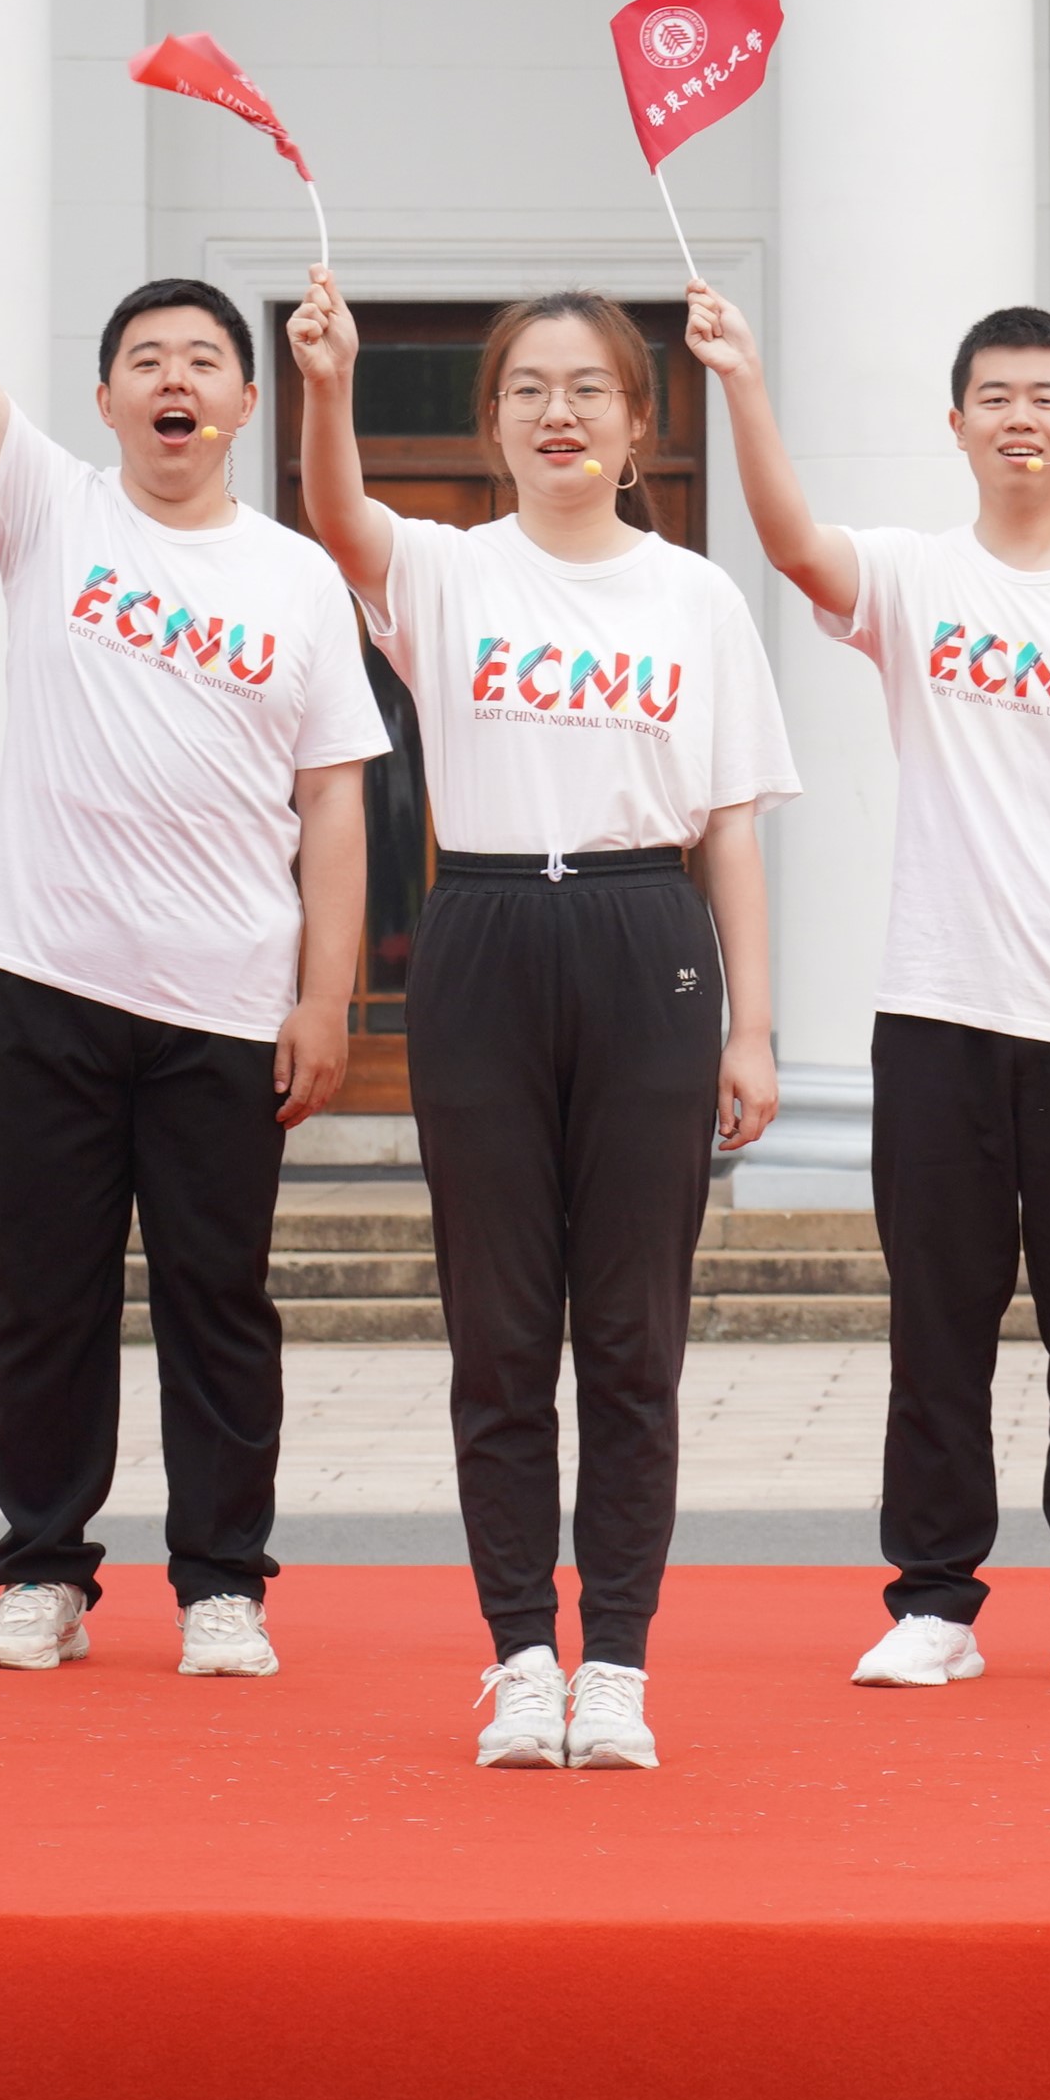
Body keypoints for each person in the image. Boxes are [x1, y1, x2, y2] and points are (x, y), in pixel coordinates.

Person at [291, 273, 794, 1772]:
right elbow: (336, 514)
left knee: (632, 1333)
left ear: (639, 422)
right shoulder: (447, 574)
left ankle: (617, 1662)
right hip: (487, 933)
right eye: (528, 390)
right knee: (501, 1330)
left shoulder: (697, 597)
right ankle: (521, 1655)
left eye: (588, 389)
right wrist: (329, 381)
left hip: (647, 937)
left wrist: (754, 1027)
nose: (557, 413)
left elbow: (730, 830)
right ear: (493, 423)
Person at [696, 289, 1050, 1690]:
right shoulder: (913, 578)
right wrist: (743, 381)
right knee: (937, 1322)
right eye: (995, 397)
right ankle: (934, 1599)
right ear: (958, 423)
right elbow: (792, 542)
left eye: (1045, 397)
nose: (1021, 418)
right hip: (938, 1009)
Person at [0, 267, 383, 1680]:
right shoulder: (48, 509)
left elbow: (334, 799)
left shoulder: (296, 576)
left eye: (201, 358)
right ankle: (43, 1570)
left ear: (245, 400)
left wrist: (325, 997)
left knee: (216, 1297)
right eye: (146, 358)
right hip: (43, 977)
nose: (173, 378)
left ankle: (223, 1583)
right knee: (43, 1291)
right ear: (105, 398)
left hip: (224, 1005)